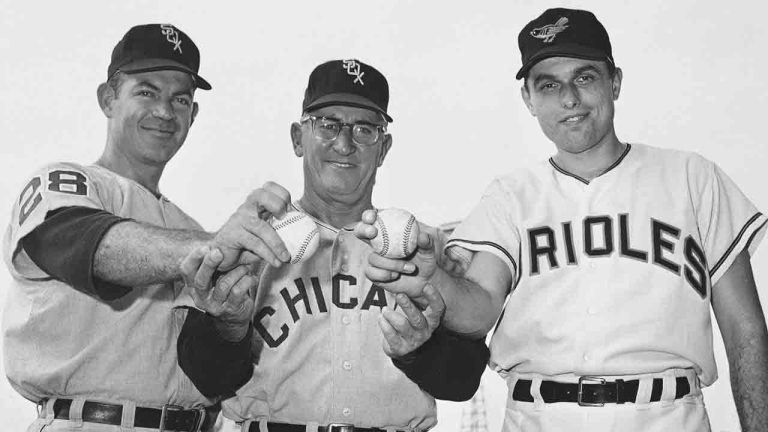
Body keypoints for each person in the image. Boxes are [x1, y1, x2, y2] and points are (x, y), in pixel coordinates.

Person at [356, 8, 768, 432]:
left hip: (667, 415)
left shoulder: (692, 178)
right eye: (549, 85)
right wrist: (432, 278)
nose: (569, 99)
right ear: (529, 100)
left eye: (585, 77)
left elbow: (746, 331)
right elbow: (479, 311)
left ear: (615, 82)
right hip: (541, 417)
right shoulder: (509, 197)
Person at [3, 23, 291, 432]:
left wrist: (230, 324)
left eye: (180, 99)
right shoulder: (66, 184)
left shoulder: (186, 228)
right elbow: (96, 250)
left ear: (193, 115)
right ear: (108, 98)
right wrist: (212, 247)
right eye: (146, 91)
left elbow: (211, 375)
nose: (164, 111)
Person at [176, 59, 489, 432]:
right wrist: (228, 326)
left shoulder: (425, 247)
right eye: (328, 125)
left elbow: (463, 381)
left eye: (364, 129)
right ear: (297, 137)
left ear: (384, 147)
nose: (344, 143)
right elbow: (205, 378)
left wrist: (422, 352)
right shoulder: (250, 238)